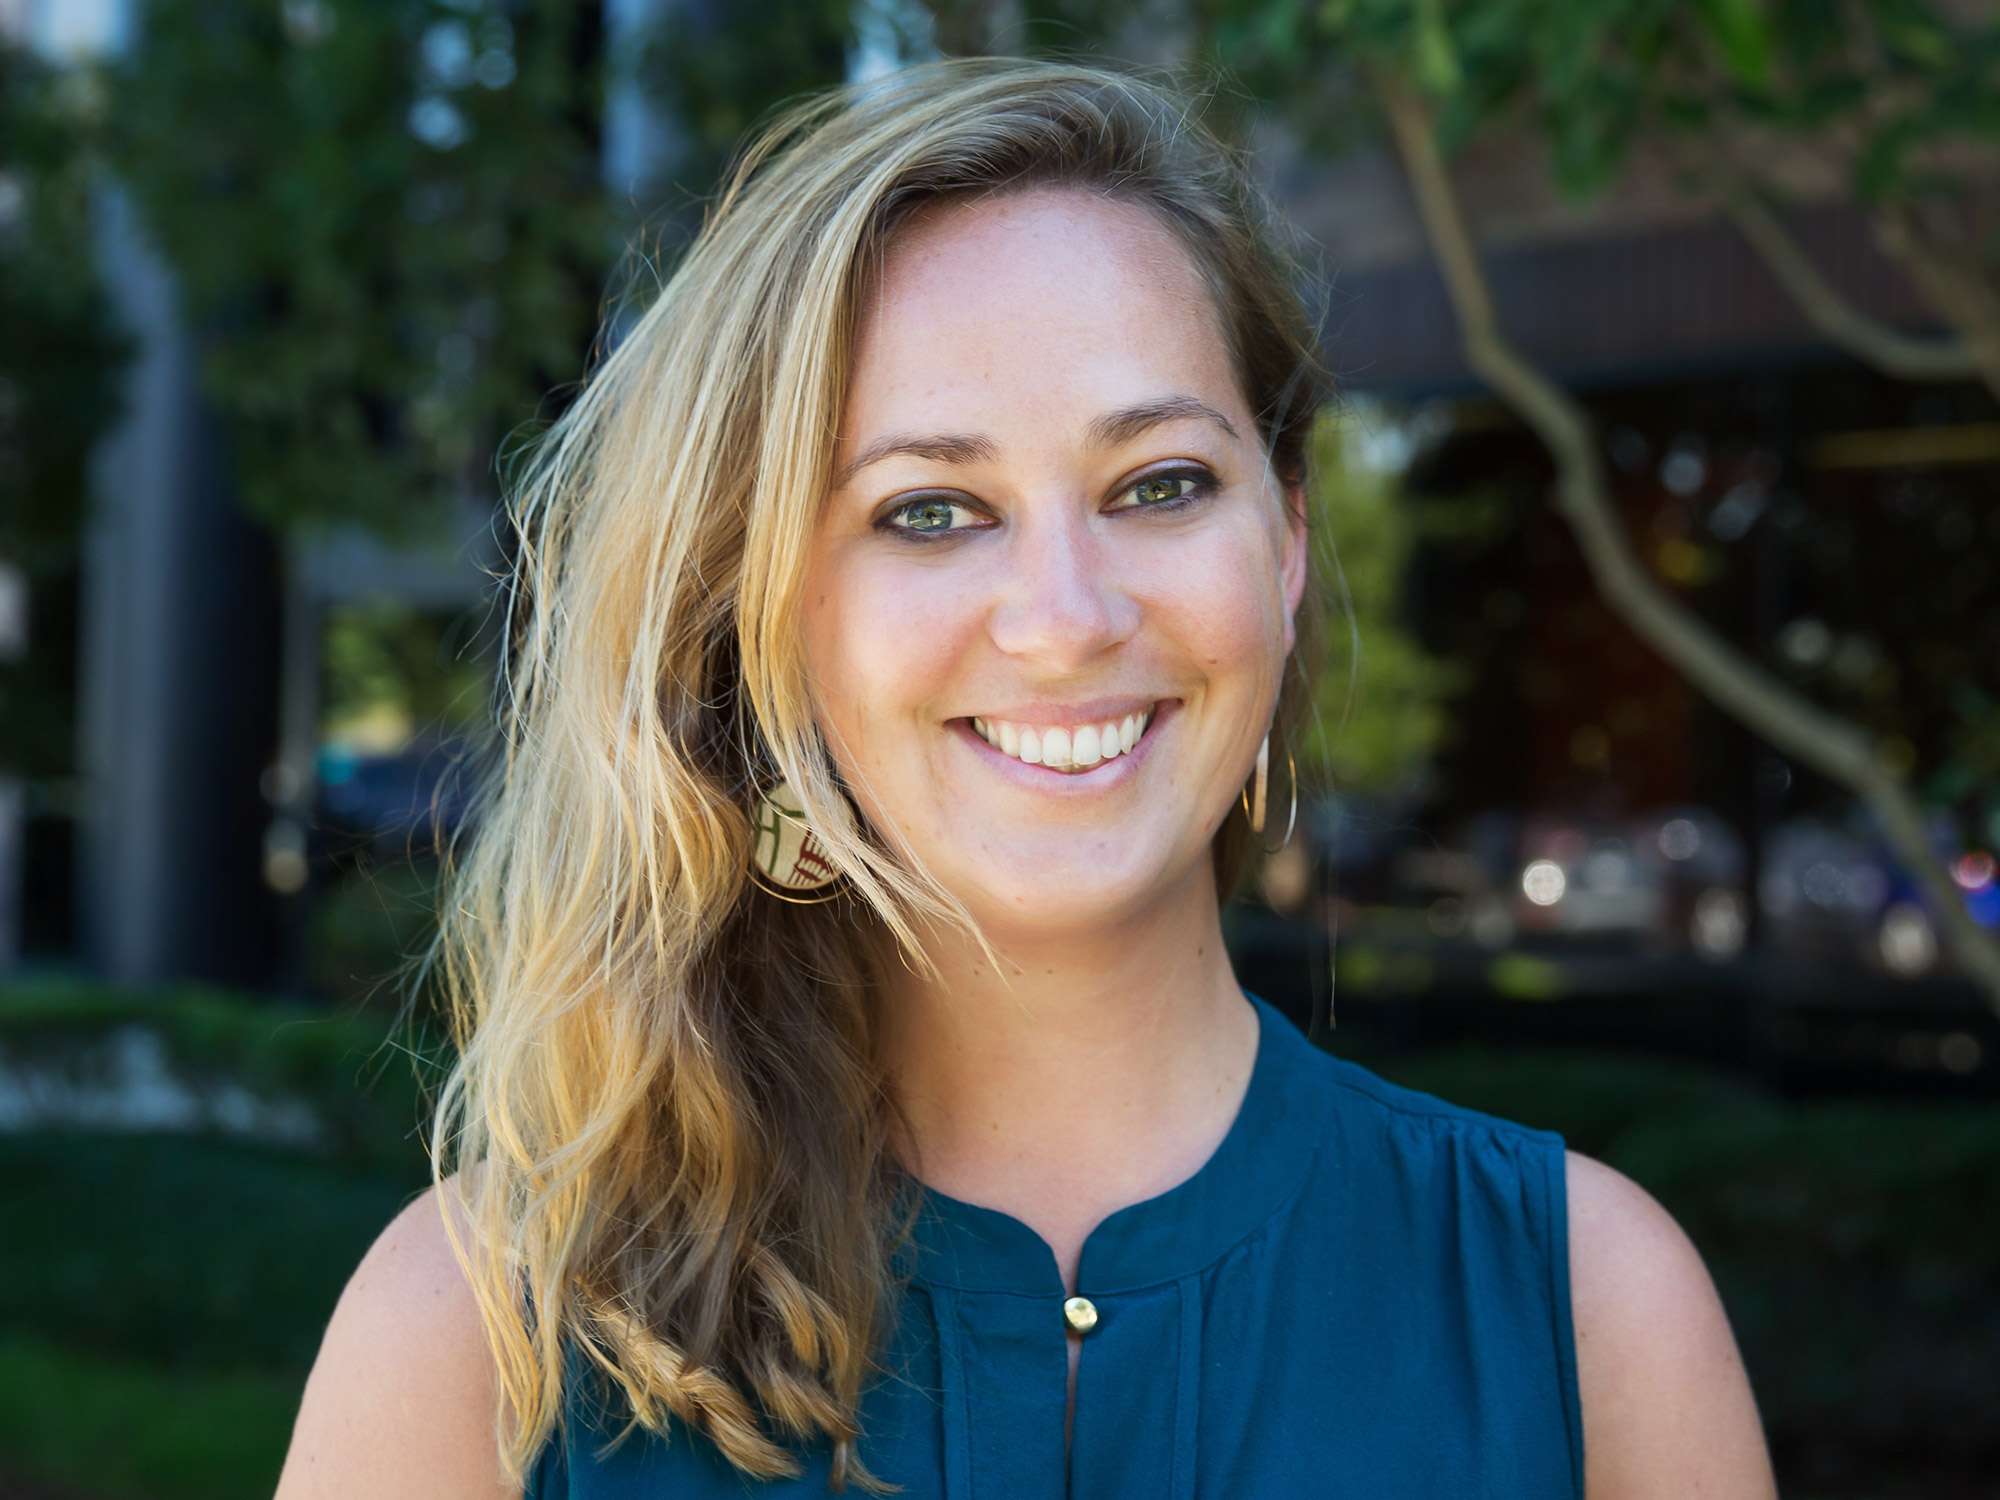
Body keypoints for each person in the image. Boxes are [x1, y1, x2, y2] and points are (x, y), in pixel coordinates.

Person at [275, 58, 1776, 1500]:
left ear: (1289, 543)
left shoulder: (1591, 1311)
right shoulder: (485, 1339)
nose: (1066, 618)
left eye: (1161, 485)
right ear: (771, 618)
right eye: (931, 511)